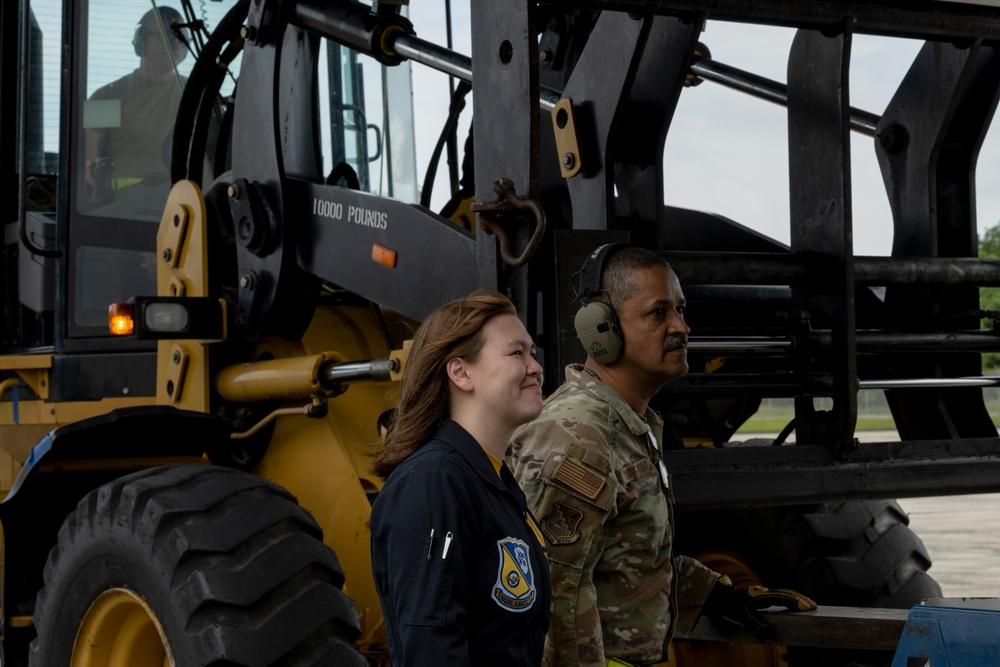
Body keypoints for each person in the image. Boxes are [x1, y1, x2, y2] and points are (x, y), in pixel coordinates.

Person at [508, 244, 814, 667]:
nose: (682, 327)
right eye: (658, 313)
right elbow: (549, 592)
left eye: (681, 310)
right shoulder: (576, 436)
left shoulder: (625, 425)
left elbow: (623, 561)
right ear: (602, 329)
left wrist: (718, 596)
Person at [371, 289, 552, 666]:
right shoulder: (433, 484)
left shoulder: (491, 479)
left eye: (532, 353)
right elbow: (431, 645)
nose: (535, 367)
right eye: (516, 353)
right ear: (460, 372)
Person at [85, 6, 190, 202]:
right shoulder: (106, 96)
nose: (176, 44)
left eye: (182, 38)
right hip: (124, 206)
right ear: (141, 42)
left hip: (183, 206)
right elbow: (87, 165)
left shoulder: (196, 96)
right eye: (167, 36)